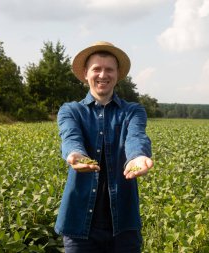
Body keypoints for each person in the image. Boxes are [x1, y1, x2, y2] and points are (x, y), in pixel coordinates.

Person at [54, 41, 154, 253]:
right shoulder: (70, 111)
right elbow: (70, 137)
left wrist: (137, 156)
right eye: (96, 69)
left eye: (109, 69)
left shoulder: (132, 111)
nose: (102, 75)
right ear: (85, 73)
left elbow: (135, 136)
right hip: (78, 223)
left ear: (117, 74)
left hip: (123, 225)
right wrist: (75, 154)